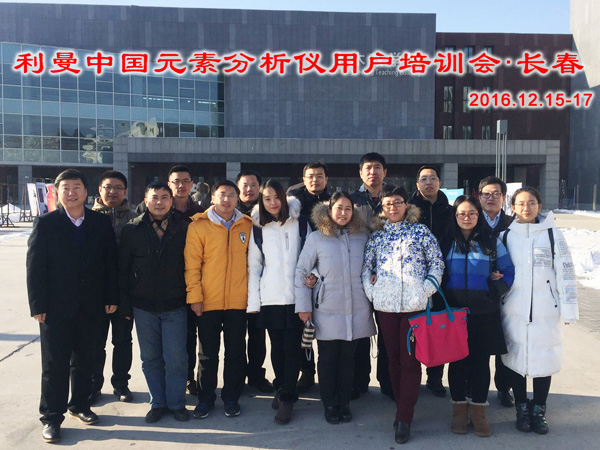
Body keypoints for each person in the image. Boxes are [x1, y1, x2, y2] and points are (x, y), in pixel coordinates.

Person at [27, 169, 118, 443]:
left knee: (85, 359)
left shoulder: (100, 222)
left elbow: (110, 263)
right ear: (57, 193)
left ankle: (80, 404)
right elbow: (35, 267)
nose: (71, 192)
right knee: (54, 364)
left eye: (76, 187)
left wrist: (111, 297)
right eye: (65, 188)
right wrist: (37, 304)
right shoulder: (46, 223)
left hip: (91, 306)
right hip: (55, 308)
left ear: (86, 192)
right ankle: (51, 417)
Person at [362, 184, 444, 444]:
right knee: (393, 359)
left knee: (409, 362)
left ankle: (404, 417)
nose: (393, 207)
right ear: (383, 207)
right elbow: (367, 267)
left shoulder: (420, 231)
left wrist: (426, 289)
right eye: (388, 203)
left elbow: (436, 262)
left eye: (398, 202)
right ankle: (401, 407)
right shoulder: (377, 235)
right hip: (385, 307)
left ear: (406, 205)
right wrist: (372, 292)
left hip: (414, 308)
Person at [500, 187, 578, 435]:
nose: (526, 208)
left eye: (531, 203)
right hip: (513, 310)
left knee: (544, 359)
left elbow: (566, 272)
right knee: (516, 360)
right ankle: (522, 408)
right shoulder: (505, 236)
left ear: (539, 206)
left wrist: (568, 309)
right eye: (521, 203)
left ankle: (539, 409)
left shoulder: (553, 235)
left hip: (546, 311)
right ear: (513, 207)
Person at [295, 192, 376, 425]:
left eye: (348, 208)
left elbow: (372, 264)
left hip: (357, 309)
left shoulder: (362, 236)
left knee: (348, 360)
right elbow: (302, 271)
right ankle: (329, 404)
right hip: (326, 309)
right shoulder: (317, 238)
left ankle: (344, 403)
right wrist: (304, 306)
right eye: (338, 208)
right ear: (329, 210)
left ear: (354, 211)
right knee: (328, 360)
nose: (343, 213)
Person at [441, 196, 514, 437]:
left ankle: (479, 412)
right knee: (457, 362)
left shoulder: (491, 242)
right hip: (454, 313)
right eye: (462, 213)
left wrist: (496, 289)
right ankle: (459, 411)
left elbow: (509, 271)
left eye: (472, 213)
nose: (467, 217)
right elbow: (436, 271)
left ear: (478, 215)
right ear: (455, 216)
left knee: (481, 363)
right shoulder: (446, 242)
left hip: (484, 312)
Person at [119, 181, 190, 424]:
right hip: (143, 306)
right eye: (154, 197)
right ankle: (157, 403)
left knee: (176, 359)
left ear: (171, 201)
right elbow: (123, 269)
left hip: (175, 304)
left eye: (164, 197)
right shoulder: (132, 229)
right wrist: (125, 304)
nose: (159, 202)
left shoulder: (184, 227)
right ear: (145, 200)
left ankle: (177, 403)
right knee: (150, 359)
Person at [185, 180, 253, 419]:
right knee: (207, 354)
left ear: (238, 198)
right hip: (207, 301)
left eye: (231, 195)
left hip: (238, 302)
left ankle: (231, 398)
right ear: (212, 197)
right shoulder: (198, 226)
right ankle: (205, 399)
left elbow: (253, 263)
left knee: (236, 352)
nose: (226, 199)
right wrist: (195, 297)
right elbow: (192, 266)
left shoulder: (247, 225)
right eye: (222, 194)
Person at [247, 180, 310, 424]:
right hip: (271, 297)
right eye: (267, 198)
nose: (272, 203)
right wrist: (254, 303)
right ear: (261, 201)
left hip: (296, 297)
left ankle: (287, 398)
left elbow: (310, 259)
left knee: (292, 348)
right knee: (277, 348)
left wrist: (308, 295)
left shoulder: (300, 223)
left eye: (276, 197)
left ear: (284, 198)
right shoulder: (258, 227)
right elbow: (254, 266)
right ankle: (282, 387)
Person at [89, 170, 137, 404]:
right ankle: (93, 384)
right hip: (95, 293)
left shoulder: (136, 219)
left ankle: (121, 383)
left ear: (125, 191)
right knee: (95, 343)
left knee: (123, 341)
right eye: (108, 187)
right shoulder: (86, 218)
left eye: (118, 188)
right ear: (100, 190)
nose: (113, 192)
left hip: (124, 291)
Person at [409, 165, 453, 397]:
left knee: (438, 327)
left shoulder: (451, 210)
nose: (429, 182)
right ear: (417, 184)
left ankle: (435, 377)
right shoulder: (408, 209)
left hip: (444, 277)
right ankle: (411, 376)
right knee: (414, 328)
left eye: (433, 178)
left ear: (439, 182)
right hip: (412, 279)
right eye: (424, 179)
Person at [287, 161, 331, 392]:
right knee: (303, 324)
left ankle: (328, 372)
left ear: (326, 179)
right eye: (311, 176)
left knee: (325, 325)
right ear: (303, 179)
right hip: (300, 266)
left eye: (319, 176)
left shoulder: (333, 202)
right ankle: (307, 371)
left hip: (326, 268)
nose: (315, 180)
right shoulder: (293, 203)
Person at [350, 152, 387, 400]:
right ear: (361, 173)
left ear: (385, 172)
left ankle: (387, 381)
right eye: (368, 168)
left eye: (377, 167)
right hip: (357, 273)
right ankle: (359, 381)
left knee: (387, 332)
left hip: (389, 275)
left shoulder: (394, 198)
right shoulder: (352, 201)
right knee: (360, 331)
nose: (372, 172)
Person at [478, 176, 515, 407]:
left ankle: (504, 387)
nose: (491, 198)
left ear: (503, 198)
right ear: (479, 196)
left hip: (507, 291)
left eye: (496, 194)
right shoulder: (471, 220)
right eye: (486, 194)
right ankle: (476, 388)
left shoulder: (513, 224)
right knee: (479, 343)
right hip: (478, 292)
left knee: (505, 342)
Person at [236, 170, 273, 394]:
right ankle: (237, 376)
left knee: (258, 334)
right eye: (245, 185)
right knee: (237, 335)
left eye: (253, 184)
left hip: (261, 282)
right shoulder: (231, 211)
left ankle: (257, 375)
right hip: (236, 282)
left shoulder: (267, 211)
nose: (249, 189)